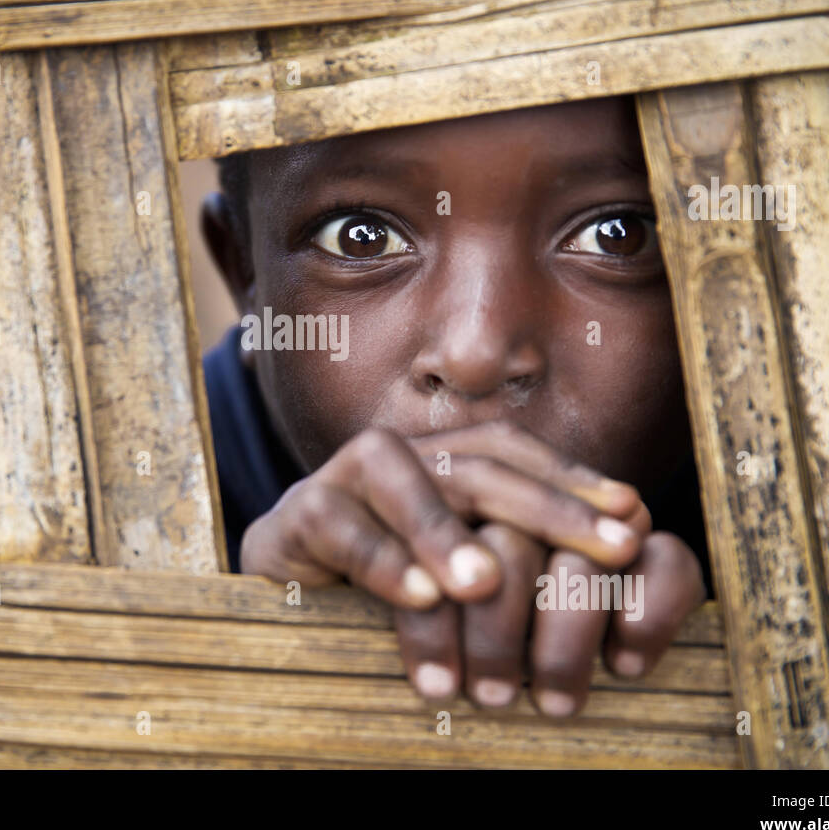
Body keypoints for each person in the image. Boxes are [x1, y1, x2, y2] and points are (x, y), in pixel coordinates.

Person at [199, 96, 710, 718]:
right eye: (362, 238)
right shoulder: (137, 512)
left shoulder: (797, 488)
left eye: (617, 235)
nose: (476, 353)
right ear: (243, 276)